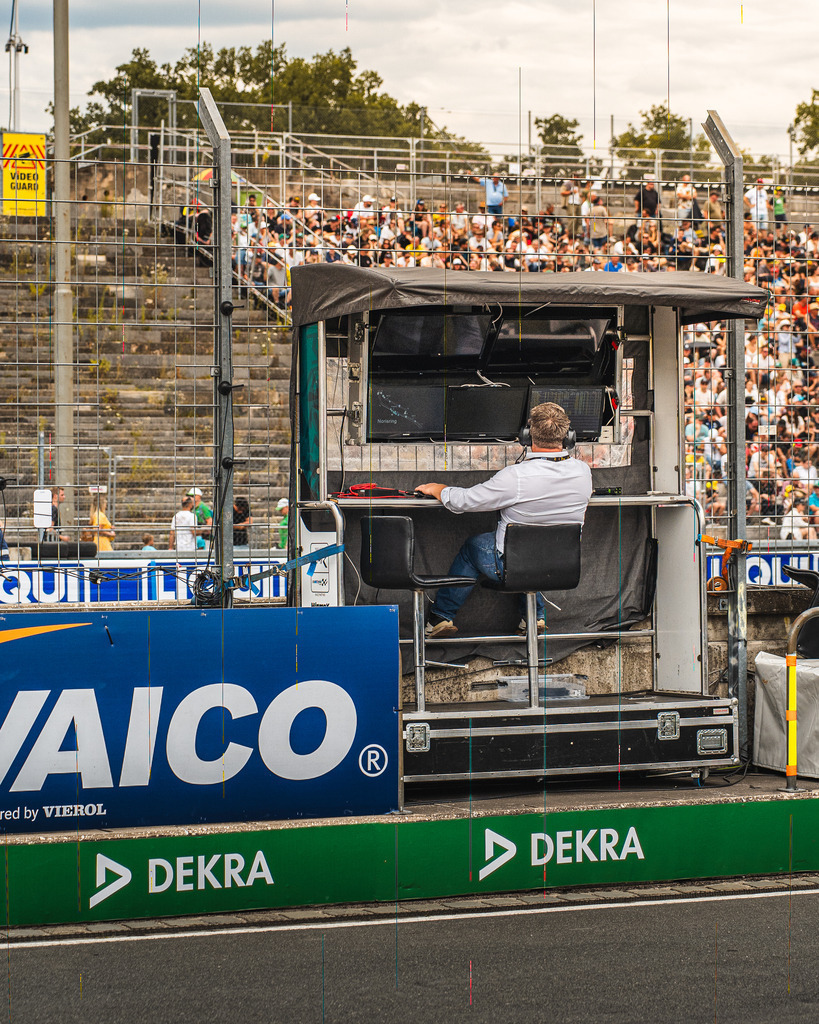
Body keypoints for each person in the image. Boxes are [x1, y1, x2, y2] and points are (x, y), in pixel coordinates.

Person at [416, 402, 593, 637]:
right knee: (532, 555)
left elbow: (465, 501)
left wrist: (438, 489)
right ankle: (534, 617)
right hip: (562, 566)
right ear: (569, 437)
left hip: (514, 566)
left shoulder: (516, 476)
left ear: (527, 436)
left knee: (475, 547)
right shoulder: (583, 471)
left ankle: (440, 617)